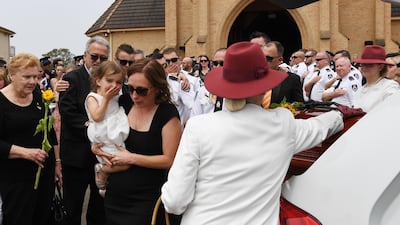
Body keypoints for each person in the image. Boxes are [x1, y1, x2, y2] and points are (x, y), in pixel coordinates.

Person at [161, 42, 360, 225]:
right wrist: (339, 115)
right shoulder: (281, 123)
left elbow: (175, 201)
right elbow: (318, 127)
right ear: (265, 88)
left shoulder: (198, 127)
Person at [91, 58, 182, 225]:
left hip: (148, 199)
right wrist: (96, 149)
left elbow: (169, 160)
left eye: (142, 90)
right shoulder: (123, 103)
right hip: (116, 197)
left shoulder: (167, 114)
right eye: (130, 88)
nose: (134, 95)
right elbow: (101, 130)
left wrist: (131, 158)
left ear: (157, 88)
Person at [0, 53, 60, 225]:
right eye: (27, 77)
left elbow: (49, 131)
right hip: (15, 178)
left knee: (42, 217)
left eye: (36, 76)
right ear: (11, 76)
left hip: (44, 174)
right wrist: (24, 152)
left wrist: (57, 162)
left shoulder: (38, 95)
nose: (33, 81)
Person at [58, 36, 109, 225]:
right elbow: (67, 112)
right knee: (72, 208)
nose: (98, 61)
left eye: (103, 58)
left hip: (101, 156)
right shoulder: (72, 78)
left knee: (98, 208)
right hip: (76, 156)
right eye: (94, 57)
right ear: (85, 56)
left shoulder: (108, 80)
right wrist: (91, 127)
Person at [84, 61, 129, 197]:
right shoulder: (92, 97)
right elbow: (97, 116)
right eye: (109, 80)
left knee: (124, 162)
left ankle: (105, 181)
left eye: (119, 82)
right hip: (103, 136)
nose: (114, 85)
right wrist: (107, 99)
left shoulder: (117, 98)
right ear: (98, 81)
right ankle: (102, 171)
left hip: (115, 135)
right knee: (125, 164)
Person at [353, 45, 400, 112]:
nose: (364, 68)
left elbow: (392, 113)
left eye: (370, 65)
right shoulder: (360, 90)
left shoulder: (390, 87)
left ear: (380, 67)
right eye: (362, 64)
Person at [262, 41, 304, 105]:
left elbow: (299, 104)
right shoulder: (253, 77)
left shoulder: (292, 79)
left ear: (280, 60)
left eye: (268, 58)